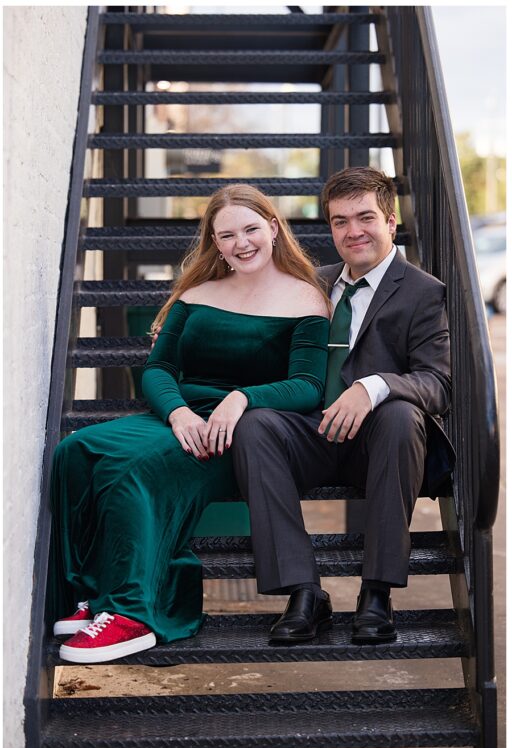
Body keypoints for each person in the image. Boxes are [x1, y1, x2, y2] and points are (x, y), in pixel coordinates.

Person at [49, 184, 330, 664]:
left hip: (235, 433)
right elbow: (159, 369)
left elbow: (308, 385)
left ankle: (132, 613)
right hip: (177, 417)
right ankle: (90, 593)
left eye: (251, 229)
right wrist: (177, 411)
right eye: (227, 235)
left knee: (131, 470)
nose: (241, 243)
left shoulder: (306, 300)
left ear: (274, 228)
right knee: (75, 450)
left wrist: (243, 398)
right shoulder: (197, 294)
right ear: (214, 243)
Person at [232, 167, 453, 645]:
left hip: (377, 446)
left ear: (391, 222)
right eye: (339, 221)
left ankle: (376, 593)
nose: (353, 231)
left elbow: (438, 384)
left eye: (365, 217)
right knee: (255, 426)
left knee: (400, 414)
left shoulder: (422, 292)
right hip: (311, 434)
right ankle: (304, 593)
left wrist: (373, 386)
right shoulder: (313, 283)